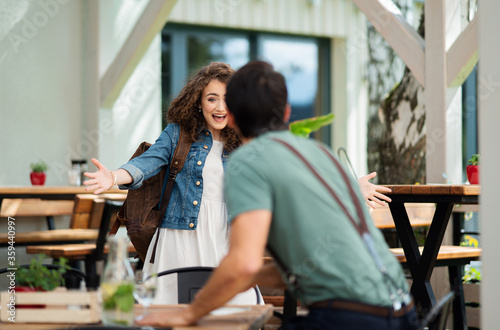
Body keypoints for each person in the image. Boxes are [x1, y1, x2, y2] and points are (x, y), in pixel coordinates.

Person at [137, 61, 418, 329]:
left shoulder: (248, 161)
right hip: (402, 310)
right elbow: (315, 259)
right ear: (286, 112)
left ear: (230, 114)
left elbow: (244, 263)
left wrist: (189, 314)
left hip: (348, 317)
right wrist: (248, 279)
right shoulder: (321, 154)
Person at [84, 62, 259, 305]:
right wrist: (113, 177)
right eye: (212, 99)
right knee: (174, 309)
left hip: (225, 237)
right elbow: (147, 163)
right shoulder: (178, 134)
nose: (220, 108)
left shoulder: (243, 141)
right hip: (179, 238)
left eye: (227, 100)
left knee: (233, 309)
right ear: (199, 101)